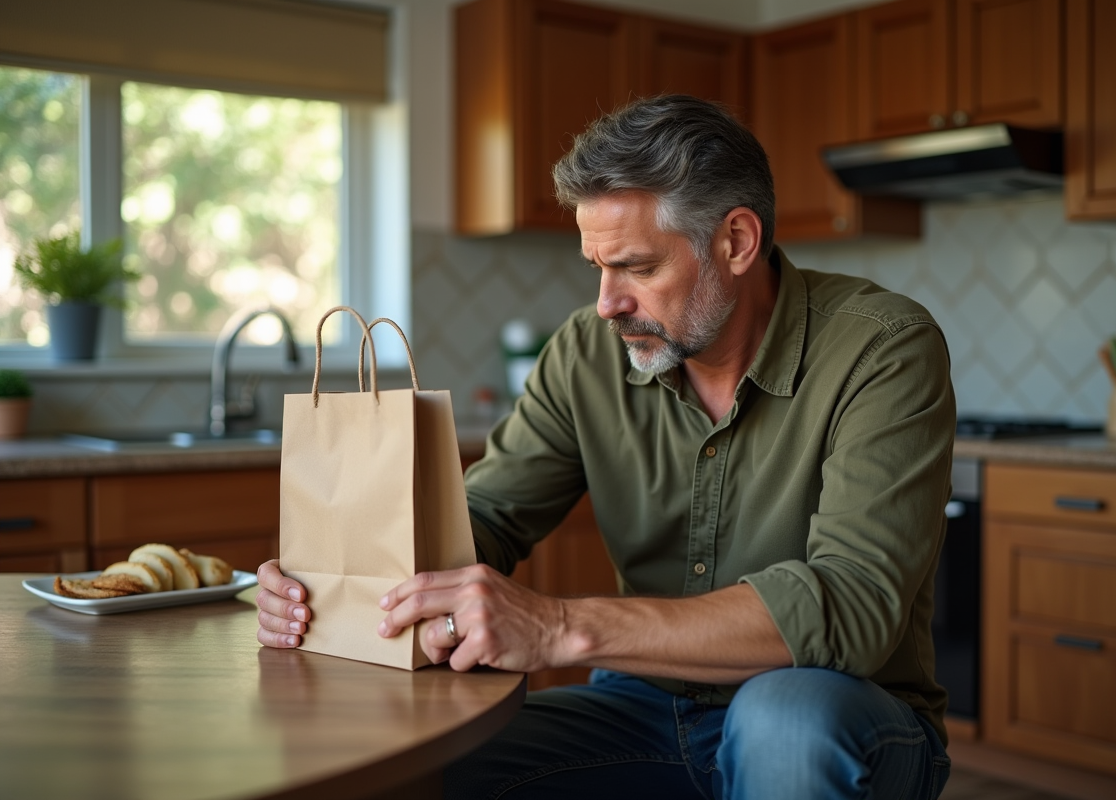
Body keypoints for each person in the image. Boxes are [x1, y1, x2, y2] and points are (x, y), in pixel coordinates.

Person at [256, 94, 955, 799]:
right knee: (414, 764)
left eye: (637, 268)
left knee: (783, 722)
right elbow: (488, 515)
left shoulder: (882, 348)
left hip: (835, 711)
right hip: (640, 707)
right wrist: (346, 572)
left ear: (736, 242)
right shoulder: (585, 353)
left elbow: (853, 602)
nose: (606, 303)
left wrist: (560, 627)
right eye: (597, 265)